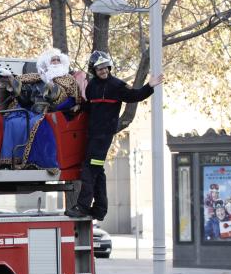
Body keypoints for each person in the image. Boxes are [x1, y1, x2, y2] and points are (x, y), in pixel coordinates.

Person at [67, 51, 161, 221]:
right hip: (92, 135)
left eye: (105, 67)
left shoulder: (117, 86)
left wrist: (150, 86)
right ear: (94, 70)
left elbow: (135, 96)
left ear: (109, 66)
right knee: (98, 171)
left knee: (89, 170)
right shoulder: (91, 86)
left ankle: (82, 207)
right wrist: (78, 108)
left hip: (103, 138)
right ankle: (100, 209)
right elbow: (90, 108)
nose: (103, 71)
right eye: (99, 68)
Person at [0, 48, 79, 171]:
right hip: (33, 111)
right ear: (47, 63)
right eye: (53, 60)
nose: (56, 62)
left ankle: (36, 162)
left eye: (58, 60)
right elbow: (26, 98)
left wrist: (51, 85)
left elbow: (63, 99)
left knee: (35, 124)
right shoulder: (37, 79)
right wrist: (11, 79)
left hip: (53, 112)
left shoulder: (68, 80)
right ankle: (10, 162)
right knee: (12, 121)